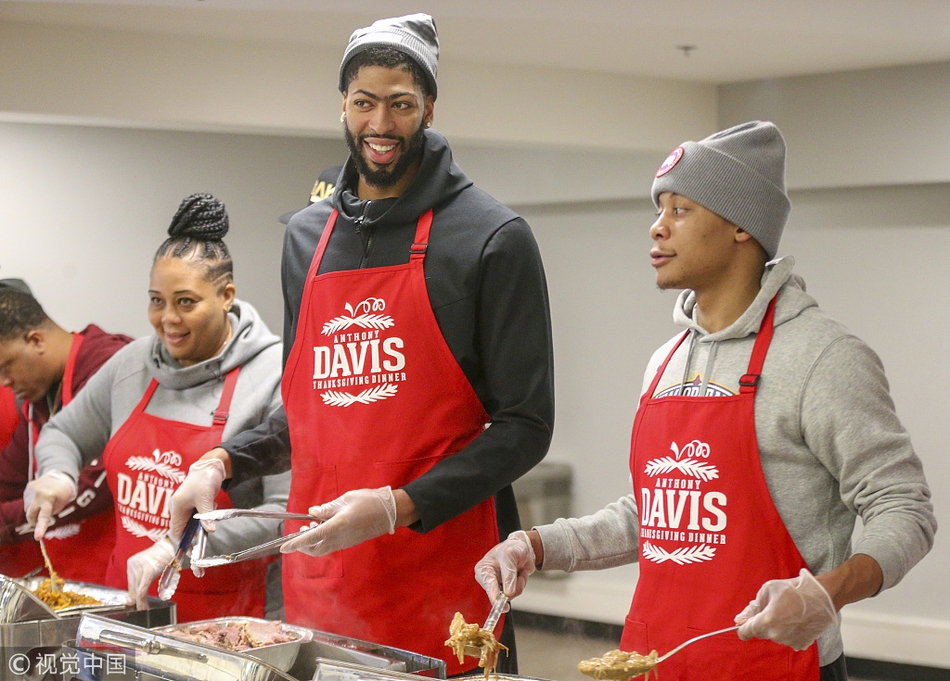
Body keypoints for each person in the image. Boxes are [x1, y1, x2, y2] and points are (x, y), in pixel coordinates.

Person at [475, 122, 936, 681]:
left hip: (775, 668)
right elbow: (656, 516)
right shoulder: (666, 360)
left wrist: (827, 593)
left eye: (681, 210)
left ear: (742, 225)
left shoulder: (823, 358)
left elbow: (905, 509)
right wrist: (534, 545)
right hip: (655, 662)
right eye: (658, 208)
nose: (657, 227)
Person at [168, 13, 554, 674]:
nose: (381, 123)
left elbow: (525, 427)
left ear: (429, 106)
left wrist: (394, 507)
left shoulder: (491, 238)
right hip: (323, 588)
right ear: (342, 105)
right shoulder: (306, 239)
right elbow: (311, 407)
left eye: (401, 103)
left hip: (445, 591)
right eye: (364, 102)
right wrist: (220, 463)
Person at [25, 193, 290, 621]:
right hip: (124, 608)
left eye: (186, 302)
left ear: (226, 295)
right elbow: (64, 433)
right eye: (156, 300)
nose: (168, 318)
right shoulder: (133, 364)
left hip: (229, 620)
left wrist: (182, 544)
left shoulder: (272, 375)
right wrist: (57, 474)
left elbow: (283, 514)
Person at [0, 278, 132, 580]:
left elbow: (92, 485)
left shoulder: (108, 365)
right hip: (71, 570)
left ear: (35, 341)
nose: (4, 382)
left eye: (6, 366)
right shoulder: (40, 393)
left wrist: (5, 523)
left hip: (119, 569)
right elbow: (10, 473)